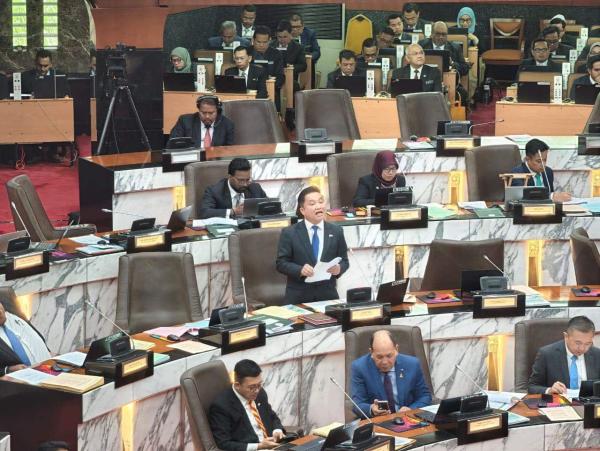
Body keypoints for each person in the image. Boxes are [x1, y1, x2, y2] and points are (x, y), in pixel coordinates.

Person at [276, 186, 349, 303]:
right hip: (299, 297)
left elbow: (344, 261)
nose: (318, 206)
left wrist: (339, 268)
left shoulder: (336, 231)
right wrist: (300, 270)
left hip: (327, 296)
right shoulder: (289, 233)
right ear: (302, 210)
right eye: (312, 203)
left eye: (321, 202)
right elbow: (281, 263)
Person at [350, 330, 432, 418]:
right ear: (371, 352)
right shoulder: (360, 367)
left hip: (407, 420)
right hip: (378, 421)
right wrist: (371, 409)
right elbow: (357, 404)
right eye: (379, 357)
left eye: (389, 356)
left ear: (396, 349)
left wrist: (411, 409)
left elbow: (425, 396)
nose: (385, 362)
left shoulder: (412, 364)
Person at [209, 359, 285, 451]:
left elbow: (271, 416)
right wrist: (259, 446)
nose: (257, 390)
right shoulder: (221, 406)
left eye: (259, 384)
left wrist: (277, 430)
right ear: (237, 385)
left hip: (274, 446)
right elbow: (224, 444)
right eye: (252, 387)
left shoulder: (260, 393)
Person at [528, 316, 600, 394]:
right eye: (578, 343)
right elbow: (532, 387)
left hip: (589, 401)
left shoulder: (597, 354)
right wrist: (549, 390)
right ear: (566, 336)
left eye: (588, 343)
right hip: (559, 401)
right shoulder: (546, 354)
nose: (582, 348)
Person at [199, 158, 267, 219]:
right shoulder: (214, 191)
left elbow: (268, 207)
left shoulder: (255, 188)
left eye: (247, 180)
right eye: (241, 180)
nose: (245, 184)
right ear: (230, 176)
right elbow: (205, 213)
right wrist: (233, 211)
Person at [509, 138, 572, 203]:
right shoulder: (517, 173)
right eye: (539, 161)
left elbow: (550, 193)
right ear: (528, 159)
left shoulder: (548, 172)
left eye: (545, 160)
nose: (543, 164)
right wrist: (551, 197)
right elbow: (522, 197)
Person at [0, 298, 50, 376]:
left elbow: (35, 336)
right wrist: (8, 370)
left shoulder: (14, 315)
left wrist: (47, 351)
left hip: (51, 368)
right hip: (24, 379)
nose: (0, 311)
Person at [169, 95, 234, 149]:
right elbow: (172, 145)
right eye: (203, 113)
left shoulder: (227, 124)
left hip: (216, 159)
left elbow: (229, 150)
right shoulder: (185, 121)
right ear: (199, 110)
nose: (207, 116)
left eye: (211, 113)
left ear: (218, 111)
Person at [252, 26, 285, 109]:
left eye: (265, 42)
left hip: (269, 88)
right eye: (258, 42)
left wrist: (270, 84)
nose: (261, 45)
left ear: (270, 40)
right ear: (253, 40)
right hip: (250, 87)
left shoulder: (276, 54)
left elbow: (281, 77)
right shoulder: (247, 52)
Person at [271, 20, 307, 84]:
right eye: (279, 37)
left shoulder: (298, 48)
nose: (282, 40)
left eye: (285, 37)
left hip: (290, 79)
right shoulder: (271, 46)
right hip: (273, 78)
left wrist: (290, 67)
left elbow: (303, 66)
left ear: (290, 34)